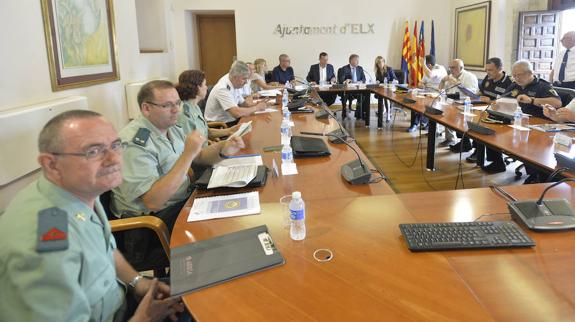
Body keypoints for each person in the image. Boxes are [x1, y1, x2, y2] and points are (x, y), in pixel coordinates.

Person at [0, 110, 186, 322]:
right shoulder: (42, 246)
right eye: (93, 151)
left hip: (121, 299)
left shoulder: (80, 189)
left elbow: (107, 248)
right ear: (51, 164)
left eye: (116, 145)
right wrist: (145, 317)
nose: (113, 159)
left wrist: (139, 283)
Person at [112, 80, 245, 262]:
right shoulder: (134, 143)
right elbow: (154, 201)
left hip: (181, 202)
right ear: (146, 108)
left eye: (177, 103)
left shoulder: (170, 127)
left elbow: (197, 158)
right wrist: (187, 155)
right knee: (223, 238)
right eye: (167, 105)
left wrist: (223, 149)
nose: (176, 110)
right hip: (149, 227)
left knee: (234, 213)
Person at [503, 60, 562, 183]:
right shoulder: (515, 85)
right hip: (519, 123)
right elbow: (504, 99)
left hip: (540, 127)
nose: (516, 78)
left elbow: (557, 103)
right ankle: (531, 173)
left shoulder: (543, 86)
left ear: (530, 73)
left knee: (530, 145)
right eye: (514, 75)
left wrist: (532, 100)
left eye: (519, 75)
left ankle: (537, 176)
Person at [467, 57, 513, 172]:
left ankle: (498, 162)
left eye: (491, 70)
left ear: (500, 69)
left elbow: (510, 104)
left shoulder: (509, 82)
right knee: (474, 122)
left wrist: (491, 101)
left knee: (489, 129)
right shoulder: (488, 78)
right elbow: (481, 92)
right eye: (486, 70)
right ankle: (478, 151)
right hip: (487, 110)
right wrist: (475, 96)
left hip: (503, 115)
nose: (487, 73)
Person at [176, 69, 238, 143]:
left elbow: (206, 132)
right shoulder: (185, 115)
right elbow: (191, 146)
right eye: (204, 84)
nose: (206, 87)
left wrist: (230, 130)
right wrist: (220, 145)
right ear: (198, 87)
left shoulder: (194, 106)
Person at [204, 60, 269, 126]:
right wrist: (257, 108)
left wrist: (257, 105)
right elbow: (236, 113)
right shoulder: (223, 88)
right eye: (244, 79)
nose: (246, 82)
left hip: (230, 120)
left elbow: (243, 104)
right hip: (219, 125)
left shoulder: (234, 82)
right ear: (235, 77)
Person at [439, 59, 479, 148]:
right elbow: (441, 90)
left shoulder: (469, 77)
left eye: (453, 68)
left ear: (461, 68)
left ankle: (465, 142)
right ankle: (450, 139)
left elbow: (472, 95)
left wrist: (457, 84)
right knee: (445, 112)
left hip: (465, 104)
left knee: (457, 116)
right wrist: (442, 81)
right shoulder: (451, 76)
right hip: (452, 102)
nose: (451, 70)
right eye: (450, 68)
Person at [410, 55, 447, 132]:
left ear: (429, 65)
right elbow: (421, 82)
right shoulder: (428, 69)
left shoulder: (439, 69)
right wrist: (421, 84)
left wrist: (423, 64)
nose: (423, 68)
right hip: (427, 91)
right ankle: (420, 123)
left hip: (437, 93)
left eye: (425, 65)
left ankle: (416, 124)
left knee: (423, 104)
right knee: (414, 101)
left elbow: (430, 75)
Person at [338, 54, 370, 119]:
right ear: (351, 61)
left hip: (357, 89)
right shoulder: (344, 69)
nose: (358, 62)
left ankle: (359, 113)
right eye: (356, 60)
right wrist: (345, 81)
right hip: (347, 91)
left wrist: (360, 82)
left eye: (358, 60)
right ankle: (344, 110)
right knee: (345, 95)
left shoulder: (360, 68)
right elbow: (341, 80)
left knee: (364, 94)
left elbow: (364, 79)